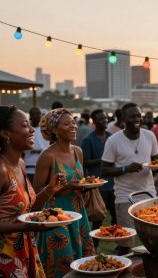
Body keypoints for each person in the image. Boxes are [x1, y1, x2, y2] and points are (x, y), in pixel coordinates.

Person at [0, 106, 67, 278]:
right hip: (5, 258)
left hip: (26, 250)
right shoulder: (1, 170)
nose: (32, 130)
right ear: (5, 133)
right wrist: (27, 226)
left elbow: (27, 211)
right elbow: (24, 221)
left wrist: (49, 190)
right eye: (24, 125)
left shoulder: (20, 164)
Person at [35, 108, 95, 277]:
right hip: (56, 216)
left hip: (79, 213)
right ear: (54, 130)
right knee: (63, 263)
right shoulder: (47, 156)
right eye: (67, 124)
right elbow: (36, 192)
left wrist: (85, 187)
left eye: (73, 123)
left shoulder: (78, 152)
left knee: (84, 263)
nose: (73, 126)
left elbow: (80, 181)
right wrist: (67, 187)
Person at [101, 103, 158, 255]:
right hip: (124, 196)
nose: (137, 119)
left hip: (148, 194)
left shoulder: (150, 136)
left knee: (155, 240)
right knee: (126, 242)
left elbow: (157, 161)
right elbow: (104, 170)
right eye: (132, 116)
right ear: (123, 119)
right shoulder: (113, 140)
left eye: (139, 115)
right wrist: (125, 168)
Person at [81, 109, 116, 247]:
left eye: (106, 118)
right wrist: (103, 160)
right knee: (98, 218)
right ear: (94, 122)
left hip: (113, 183)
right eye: (101, 119)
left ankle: (117, 241)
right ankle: (93, 246)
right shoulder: (88, 140)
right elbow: (85, 162)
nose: (105, 121)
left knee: (116, 215)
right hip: (98, 184)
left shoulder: (110, 137)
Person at [24, 106, 49, 183]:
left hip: (44, 167)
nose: (38, 116)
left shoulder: (45, 130)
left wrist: (36, 150)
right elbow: (24, 149)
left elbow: (48, 148)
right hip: (29, 168)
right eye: (35, 114)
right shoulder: (26, 130)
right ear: (30, 117)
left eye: (39, 114)